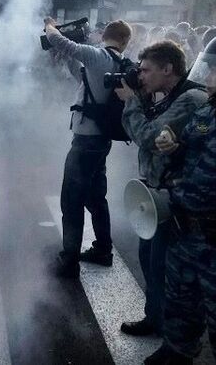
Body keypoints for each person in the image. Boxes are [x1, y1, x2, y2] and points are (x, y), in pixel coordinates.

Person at [116, 40, 207, 337]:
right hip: (157, 194)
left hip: (177, 198)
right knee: (149, 260)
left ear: (168, 68)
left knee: (163, 268)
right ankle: (155, 317)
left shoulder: (190, 98)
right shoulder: (166, 96)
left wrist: (131, 101)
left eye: (146, 70)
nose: (140, 76)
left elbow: (148, 136)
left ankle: (169, 331)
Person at [146, 33, 216, 364]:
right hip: (186, 229)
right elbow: (186, 135)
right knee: (179, 301)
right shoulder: (208, 112)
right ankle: (176, 351)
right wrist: (172, 140)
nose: (207, 77)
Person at [44, 18, 132, 278]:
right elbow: (84, 80)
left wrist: (51, 26)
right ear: (126, 41)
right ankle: (103, 249)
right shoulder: (121, 63)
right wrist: (69, 61)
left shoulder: (98, 55)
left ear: (105, 34)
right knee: (95, 197)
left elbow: (58, 41)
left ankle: (69, 261)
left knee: (71, 202)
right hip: (101, 139)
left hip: (85, 142)